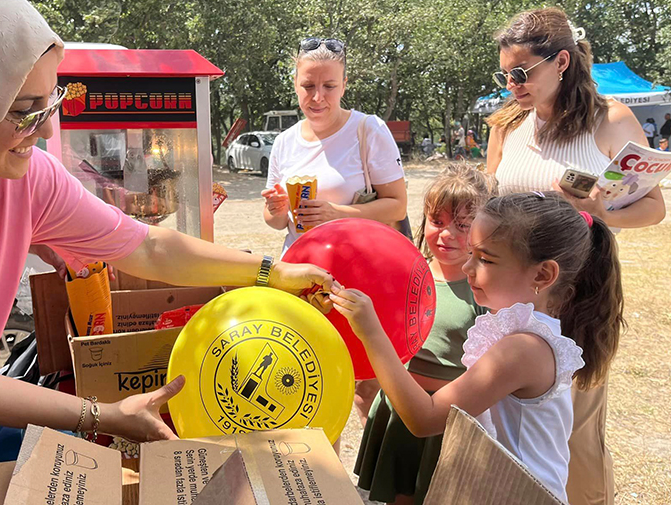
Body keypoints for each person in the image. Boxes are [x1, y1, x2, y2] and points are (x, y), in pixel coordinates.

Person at [0, 1, 336, 500]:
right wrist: (101, 415)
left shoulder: (15, 171)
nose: (40, 132)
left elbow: (145, 245)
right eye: (21, 111)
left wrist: (271, 271)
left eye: (50, 103)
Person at [333, 191, 624, 504]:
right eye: (471, 253)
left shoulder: (523, 349)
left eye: (485, 258)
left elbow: (424, 418)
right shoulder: (521, 330)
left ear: (542, 274)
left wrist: (372, 333)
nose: (468, 267)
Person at [485, 13, 665, 503]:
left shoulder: (611, 120)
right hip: (511, 298)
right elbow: (488, 203)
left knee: (578, 430)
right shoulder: (505, 125)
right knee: (514, 426)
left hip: (578, 297)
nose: (511, 84)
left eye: (521, 72)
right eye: (505, 73)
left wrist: (602, 211)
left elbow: (654, 208)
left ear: (561, 61)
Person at [260, 37, 408, 427]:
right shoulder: (284, 142)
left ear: (344, 85)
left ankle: (376, 478)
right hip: (300, 275)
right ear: (295, 83)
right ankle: (322, 475)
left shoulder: (367, 130)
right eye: (308, 86)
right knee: (310, 378)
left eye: (329, 86)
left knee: (365, 384)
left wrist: (336, 212)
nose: (318, 97)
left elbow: (397, 205)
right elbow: (278, 222)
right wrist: (275, 209)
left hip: (359, 275)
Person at [354, 164, 496, 505]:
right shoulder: (408, 270)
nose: (446, 234)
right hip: (398, 412)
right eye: (438, 221)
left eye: (463, 226)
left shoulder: (486, 290)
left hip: (446, 424)